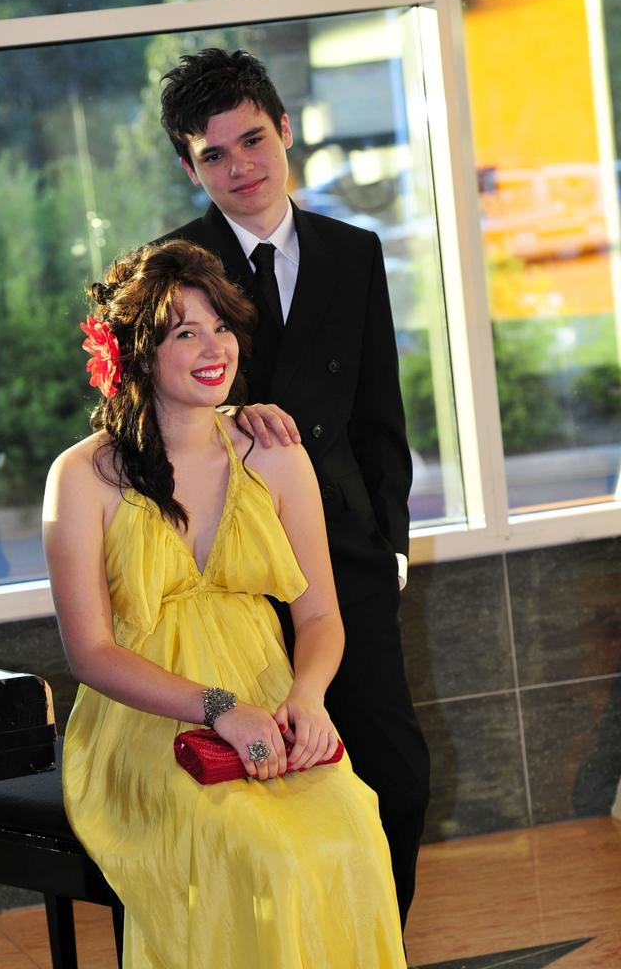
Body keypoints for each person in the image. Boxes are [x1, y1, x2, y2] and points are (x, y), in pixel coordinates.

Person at [43, 239, 406, 968]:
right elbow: (91, 653)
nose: (215, 348)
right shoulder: (82, 476)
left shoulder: (272, 449)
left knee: (354, 828)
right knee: (254, 849)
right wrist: (217, 709)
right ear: (138, 355)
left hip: (268, 694)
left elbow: (320, 617)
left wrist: (307, 697)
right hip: (143, 719)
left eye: (222, 327)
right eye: (185, 332)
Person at [157, 47, 430, 927]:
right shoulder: (173, 269)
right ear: (188, 166)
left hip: (346, 554)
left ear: (285, 134)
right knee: (268, 792)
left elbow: (380, 415)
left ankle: (376, 940)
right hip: (231, 568)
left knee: (395, 770)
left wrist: (390, 543)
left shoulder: (354, 252)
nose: (239, 167)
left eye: (252, 141)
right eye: (214, 155)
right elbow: (150, 418)